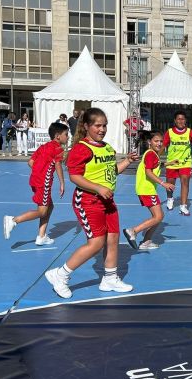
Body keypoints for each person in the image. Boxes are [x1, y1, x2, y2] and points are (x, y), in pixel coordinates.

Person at [44, 108, 139, 298]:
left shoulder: (107, 148)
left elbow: (112, 171)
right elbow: (75, 177)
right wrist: (97, 188)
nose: (102, 129)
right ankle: (60, 275)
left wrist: (127, 161)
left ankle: (110, 279)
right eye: (97, 125)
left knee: (112, 239)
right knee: (96, 242)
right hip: (88, 200)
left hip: (107, 201)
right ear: (86, 126)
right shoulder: (81, 148)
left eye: (104, 125)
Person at [4, 122, 68, 246]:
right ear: (58, 136)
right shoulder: (58, 149)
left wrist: (39, 172)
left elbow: (30, 162)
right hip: (43, 183)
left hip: (35, 180)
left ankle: (41, 236)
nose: (68, 137)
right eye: (66, 134)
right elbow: (58, 165)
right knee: (42, 212)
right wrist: (62, 183)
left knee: (49, 206)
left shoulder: (43, 147)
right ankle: (13, 220)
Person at [123, 131, 175, 251]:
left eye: (161, 141)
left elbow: (155, 166)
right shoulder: (151, 154)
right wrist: (163, 183)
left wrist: (169, 163)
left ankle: (146, 241)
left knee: (158, 216)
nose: (159, 143)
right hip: (146, 189)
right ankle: (133, 231)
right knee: (158, 216)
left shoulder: (152, 154)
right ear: (149, 142)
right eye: (156, 141)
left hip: (147, 189)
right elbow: (148, 172)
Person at [164, 110, 192, 215]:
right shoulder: (169, 132)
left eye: (183, 119)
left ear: (185, 121)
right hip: (172, 162)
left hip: (185, 162)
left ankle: (183, 206)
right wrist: (156, 156)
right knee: (170, 183)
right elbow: (163, 146)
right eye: (179, 119)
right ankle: (170, 198)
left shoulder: (190, 132)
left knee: (185, 181)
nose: (181, 121)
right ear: (175, 121)